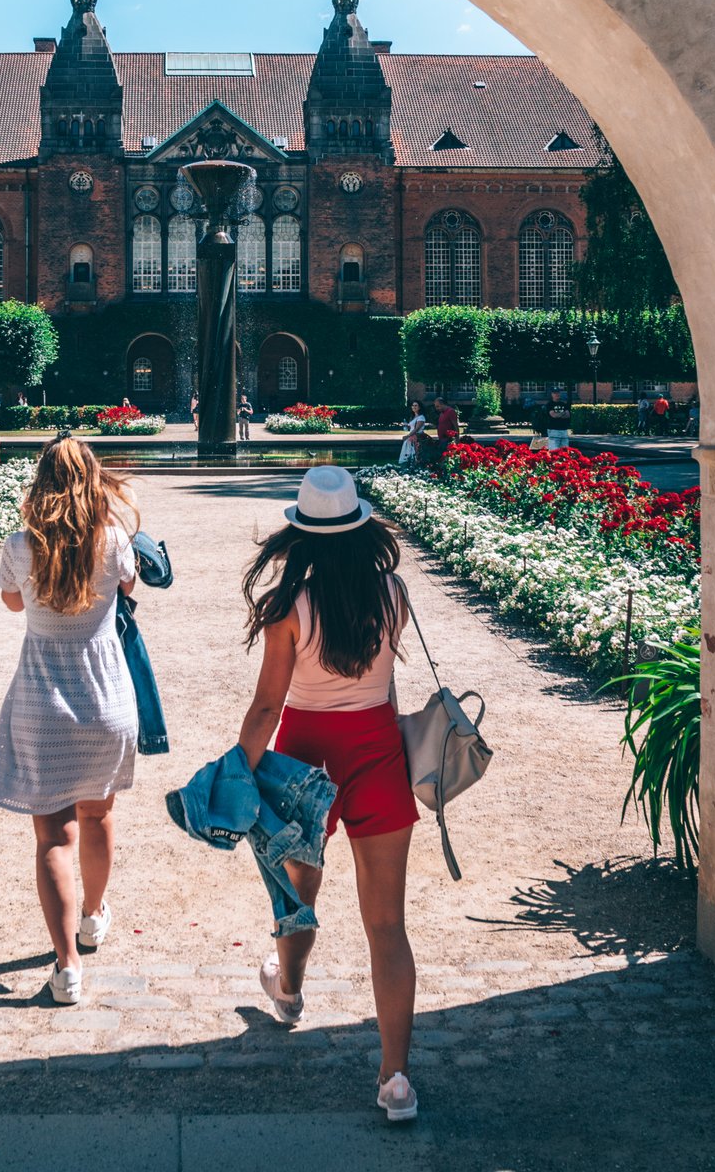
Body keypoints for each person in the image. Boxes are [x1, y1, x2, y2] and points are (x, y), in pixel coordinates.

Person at [236, 464, 420, 1123]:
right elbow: (390, 688)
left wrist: (236, 769)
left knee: (299, 897)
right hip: (376, 750)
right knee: (388, 925)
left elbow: (266, 708)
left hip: (307, 757)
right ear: (361, 527)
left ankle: (288, 992)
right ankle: (395, 1078)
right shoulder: (392, 592)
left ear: (303, 537)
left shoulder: (292, 606)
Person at [0, 435, 139, 1006]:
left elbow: (12, 603)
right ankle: (94, 916)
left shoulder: (22, 544)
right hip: (105, 696)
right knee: (99, 813)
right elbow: (129, 587)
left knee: (53, 834)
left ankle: (68, 966)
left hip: (42, 697)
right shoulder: (113, 538)